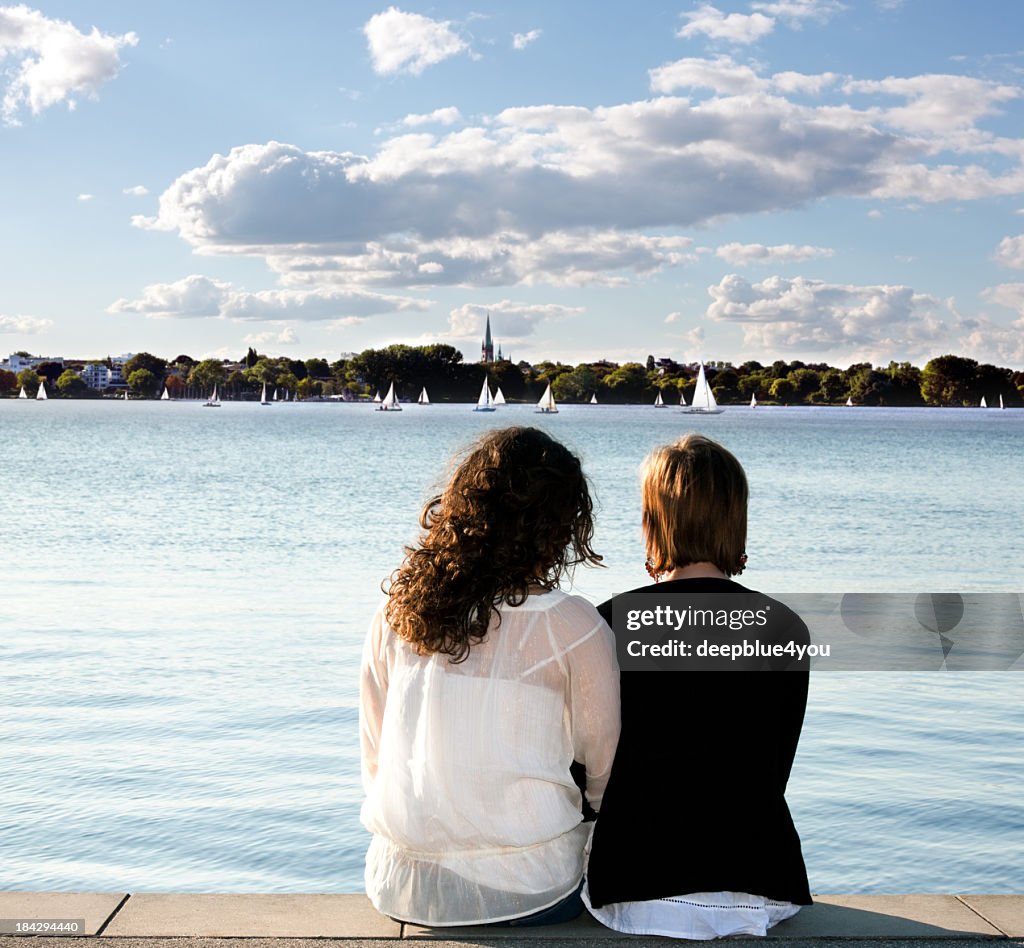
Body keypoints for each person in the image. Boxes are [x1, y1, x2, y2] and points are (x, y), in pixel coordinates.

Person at [360, 426, 620, 927]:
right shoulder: (571, 625)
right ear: (560, 526)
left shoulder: (396, 612)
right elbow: (604, 773)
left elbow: (375, 755)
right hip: (530, 888)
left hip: (404, 883)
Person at [583, 433, 812, 940]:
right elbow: (775, 770)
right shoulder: (785, 627)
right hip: (761, 881)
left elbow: (588, 775)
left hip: (637, 885)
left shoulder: (608, 624)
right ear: (737, 518)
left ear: (652, 520)